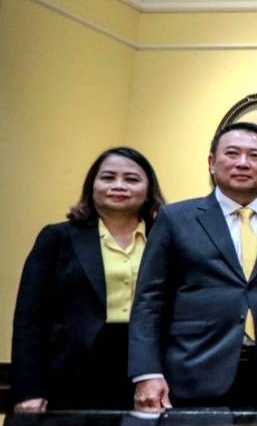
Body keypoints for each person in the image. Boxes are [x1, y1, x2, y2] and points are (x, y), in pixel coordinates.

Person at [128, 123, 257, 408]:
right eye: (232, 153)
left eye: (255, 156)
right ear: (212, 162)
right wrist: (146, 372)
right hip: (191, 370)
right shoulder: (175, 219)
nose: (243, 163)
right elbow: (148, 300)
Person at [12, 147, 166, 411]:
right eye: (108, 177)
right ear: (92, 185)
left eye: (131, 179)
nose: (119, 185)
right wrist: (29, 390)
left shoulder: (164, 238)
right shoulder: (57, 238)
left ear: (149, 190)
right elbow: (31, 318)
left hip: (147, 366)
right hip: (72, 369)